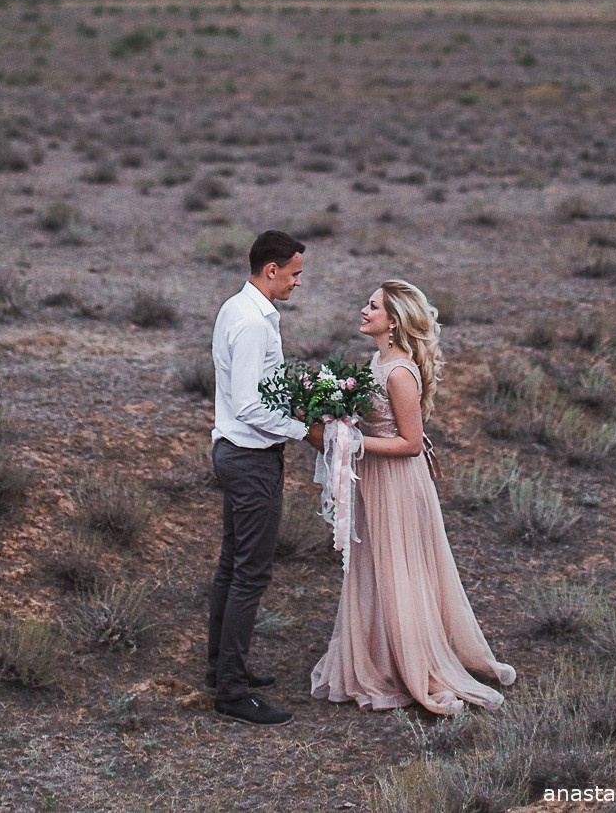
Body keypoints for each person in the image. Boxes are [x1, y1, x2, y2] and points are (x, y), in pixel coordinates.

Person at [311, 279, 515, 715]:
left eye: (373, 307)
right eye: (366, 304)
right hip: (376, 479)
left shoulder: (399, 372)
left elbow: (409, 442)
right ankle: (381, 655)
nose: (364, 311)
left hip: (399, 481)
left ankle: (413, 663)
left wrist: (352, 442)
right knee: (377, 565)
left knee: (400, 565)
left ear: (394, 321)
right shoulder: (377, 360)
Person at [207, 229, 323, 725]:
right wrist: (307, 432)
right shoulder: (253, 322)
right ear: (270, 269)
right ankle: (231, 691)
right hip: (250, 458)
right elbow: (251, 404)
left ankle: (221, 669)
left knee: (233, 566)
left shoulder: (241, 308)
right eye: (294, 273)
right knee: (250, 574)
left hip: (238, 452)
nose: (299, 282)